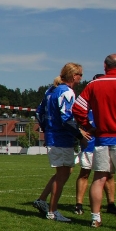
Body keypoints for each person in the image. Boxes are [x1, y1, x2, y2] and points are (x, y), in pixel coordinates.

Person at [72, 54, 116, 231]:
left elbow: (78, 108)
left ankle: (95, 219)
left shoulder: (93, 85)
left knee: (98, 179)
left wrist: (89, 126)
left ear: (105, 66)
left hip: (102, 138)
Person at [31, 63, 85, 222]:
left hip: (54, 136)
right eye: (80, 75)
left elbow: (39, 113)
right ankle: (52, 211)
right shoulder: (67, 92)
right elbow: (66, 118)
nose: (81, 78)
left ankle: (42, 201)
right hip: (61, 138)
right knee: (63, 174)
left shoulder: (51, 90)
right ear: (74, 76)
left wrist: (47, 129)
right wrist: (80, 135)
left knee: (64, 172)